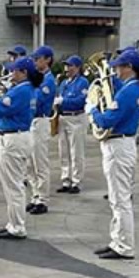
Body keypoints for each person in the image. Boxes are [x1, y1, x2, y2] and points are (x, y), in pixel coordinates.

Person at [89, 49, 139, 260]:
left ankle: (124, 246)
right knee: (117, 198)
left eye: (118, 67)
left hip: (119, 145)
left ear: (129, 67)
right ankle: (117, 241)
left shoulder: (129, 91)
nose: (115, 71)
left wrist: (92, 109)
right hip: (122, 143)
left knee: (120, 199)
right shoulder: (134, 87)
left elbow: (107, 121)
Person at [0, 57, 42, 240]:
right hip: (16, 136)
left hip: (12, 139)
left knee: (13, 185)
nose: (10, 73)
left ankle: (17, 227)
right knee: (12, 185)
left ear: (24, 72)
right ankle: (13, 223)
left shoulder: (21, 90)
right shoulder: (24, 89)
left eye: (14, 70)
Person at [27, 46, 56, 214]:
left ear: (47, 60)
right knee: (29, 163)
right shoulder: (36, 78)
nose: (35, 61)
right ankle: (35, 195)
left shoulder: (48, 80)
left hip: (40, 120)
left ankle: (43, 199)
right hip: (31, 121)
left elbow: (36, 100)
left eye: (38, 59)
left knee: (40, 162)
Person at [56, 55, 89, 193]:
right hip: (63, 117)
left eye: (70, 66)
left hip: (76, 117)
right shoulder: (64, 83)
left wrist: (63, 101)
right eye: (66, 65)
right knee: (63, 151)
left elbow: (81, 100)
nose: (67, 68)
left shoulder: (83, 82)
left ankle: (76, 181)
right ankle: (65, 180)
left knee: (76, 152)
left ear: (78, 68)